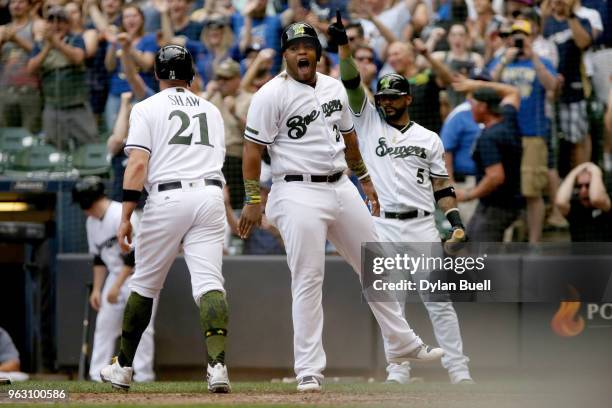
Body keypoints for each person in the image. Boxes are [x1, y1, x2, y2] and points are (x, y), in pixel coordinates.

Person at [238, 21, 444, 393]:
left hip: (340, 184)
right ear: (284, 54)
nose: (302, 52)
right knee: (308, 279)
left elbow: (349, 137)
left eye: (308, 46)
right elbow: (252, 150)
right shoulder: (270, 95)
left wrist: (364, 180)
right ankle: (309, 370)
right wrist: (254, 198)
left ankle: (402, 343)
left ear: (318, 53)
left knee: (375, 262)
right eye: (294, 47)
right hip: (295, 190)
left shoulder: (333, 87)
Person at [334, 15, 473, 385]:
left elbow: (443, 187)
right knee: (390, 304)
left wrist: (457, 223)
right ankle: (398, 369)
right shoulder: (367, 123)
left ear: (408, 98)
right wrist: (343, 47)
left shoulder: (429, 137)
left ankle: (459, 371)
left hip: (422, 224)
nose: (387, 102)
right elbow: (350, 81)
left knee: (439, 304)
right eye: (382, 97)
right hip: (381, 223)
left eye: (394, 97)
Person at [100, 45, 231, 393]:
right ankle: (217, 367)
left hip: (168, 196)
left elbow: (138, 165)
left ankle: (124, 368)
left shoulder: (146, 107)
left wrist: (126, 214)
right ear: (190, 74)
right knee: (209, 284)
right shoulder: (211, 109)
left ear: (157, 73)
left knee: (144, 284)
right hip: (209, 195)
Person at [71, 177, 155, 383]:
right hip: (115, 276)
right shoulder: (91, 222)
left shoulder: (120, 213)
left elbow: (133, 254)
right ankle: (98, 375)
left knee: (142, 327)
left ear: (86, 201)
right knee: (105, 325)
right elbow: (99, 257)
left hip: (139, 274)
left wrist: (116, 286)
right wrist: (98, 289)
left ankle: (144, 376)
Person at [489, 19, 560, 243]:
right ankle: (516, 237)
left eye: (523, 36)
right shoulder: (502, 60)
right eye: (514, 35)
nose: (518, 40)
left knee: (531, 190)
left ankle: (535, 242)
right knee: (512, 189)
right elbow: (488, 85)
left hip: (533, 132)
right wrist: (503, 61)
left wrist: (534, 57)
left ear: (531, 37)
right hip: (506, 133)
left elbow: (551, 86)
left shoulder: (542, 61)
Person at [453, 78, 523, 241]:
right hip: (507, 203)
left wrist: (469, 195)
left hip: (497, 207)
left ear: (483, 107)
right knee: (469, 243)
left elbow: (495, 177)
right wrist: (477, 85)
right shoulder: (508, 119)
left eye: (473, 105)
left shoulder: (489, 138)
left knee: (483, 256)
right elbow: (513, 92)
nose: (470, 109)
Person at [26, 5, 97, 150]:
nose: (56, 25)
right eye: (51, 21)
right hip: (53, 106)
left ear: (68, 24)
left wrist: (57, 43)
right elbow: (31, 69)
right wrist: (48, 46)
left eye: (61, 21)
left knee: (89, 145)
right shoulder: (40, 45)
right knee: (54, 148)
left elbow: (78, 58)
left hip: (77, 105)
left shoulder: (76, 39)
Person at [0, 0, 44, 133]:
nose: (16, 5)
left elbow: (42, 54)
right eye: (13, 2)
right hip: (6, 90)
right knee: (6, 136)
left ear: (29, 6)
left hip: (30, 90)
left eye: (21, 2)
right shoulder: (2, 29)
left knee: (30, 136)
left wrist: (16, 39)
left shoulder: (36, 26)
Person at [555, 162, 612, 241]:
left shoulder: (607, 202)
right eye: (579, 186)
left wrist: (595, 171)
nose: (583, 190)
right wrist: (574, 172)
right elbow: (560, 202)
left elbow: (597, 199)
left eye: (588, 185)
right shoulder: (576, 207)